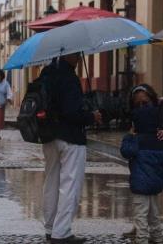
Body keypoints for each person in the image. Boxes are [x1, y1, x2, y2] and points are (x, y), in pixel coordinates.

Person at [42, 54, 102, 244]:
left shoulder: (46, 73)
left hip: (49, 136)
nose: (78, 57)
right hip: (70, 138)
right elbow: (72, 112)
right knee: (70, 185)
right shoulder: (68, 77)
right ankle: (62, 232)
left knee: (51, 182)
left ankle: (50, 228)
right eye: (76, 54)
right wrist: (91, 116)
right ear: (67, 53)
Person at [122, 86, 163, 243]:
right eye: (137, 104)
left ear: (152, 98)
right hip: (152, 157)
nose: (142, 107)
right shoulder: (139, 114)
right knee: (149, 204)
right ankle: (143, 229)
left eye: (145, 102)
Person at [120, 85, 163, 244]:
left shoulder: (137, 139)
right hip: (155, 185)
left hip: (140, 186)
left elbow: (126, 151)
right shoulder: (158, 139)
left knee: (140, 217)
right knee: (154, 216)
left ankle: (141, 240)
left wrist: (129, 137)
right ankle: (158, 239)